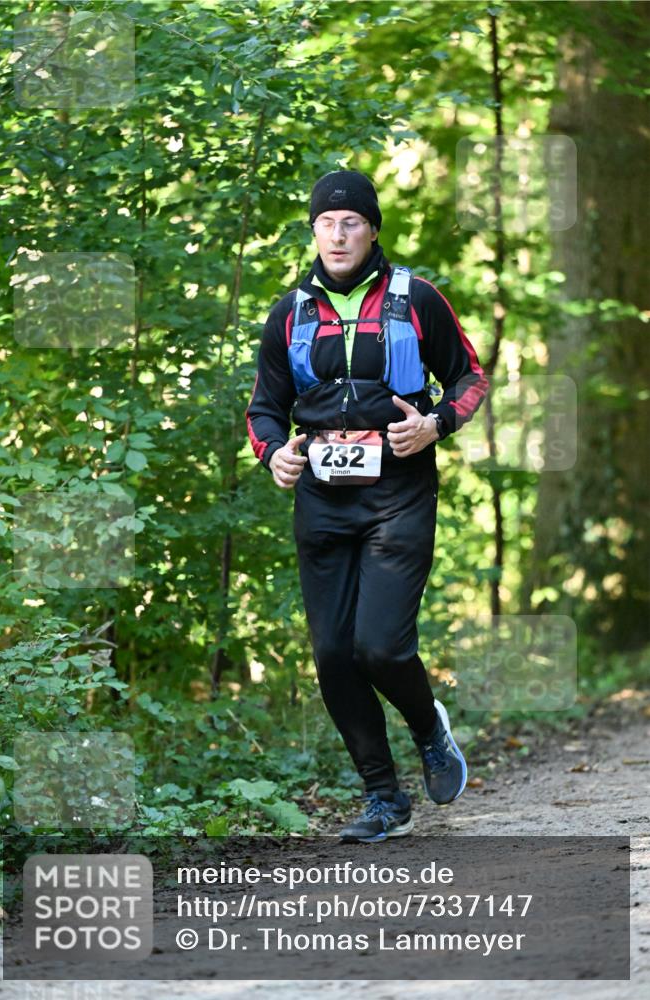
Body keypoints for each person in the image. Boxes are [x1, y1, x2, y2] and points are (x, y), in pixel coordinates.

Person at [246, 169, 488, 843]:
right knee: (331, 653)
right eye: (327, 222)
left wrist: (435, 424)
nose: (339, 232)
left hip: (397, 496)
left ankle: (427, 730)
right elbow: (263, 408)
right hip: (322, 501)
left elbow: (469, 377)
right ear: (314, 231)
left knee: (378, 646)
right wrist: (273, 455)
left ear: (372, 229)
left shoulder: (415, 298)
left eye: (351, 221)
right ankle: (383, 798)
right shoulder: (290, 310)